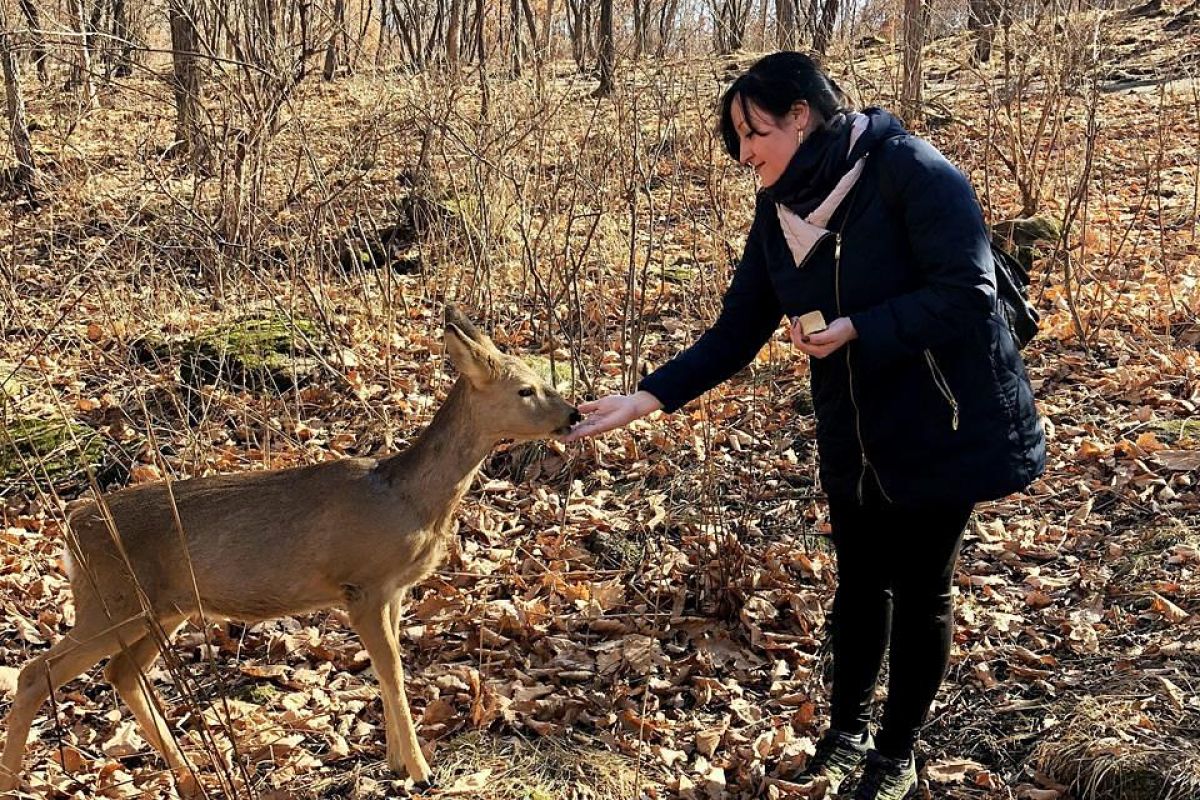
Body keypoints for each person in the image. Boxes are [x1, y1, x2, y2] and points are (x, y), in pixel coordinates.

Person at [564, 51, 1045, 800]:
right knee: (859, 585)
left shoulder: (912, 171)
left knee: (922, 589)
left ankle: (898, 751)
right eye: (737, 138)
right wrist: (645, 398)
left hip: (943, 415)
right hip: (853, 427)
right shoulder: (777, 209)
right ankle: (847, 735)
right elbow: (736, 332)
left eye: (753, 131)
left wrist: (860, 326)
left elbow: (970, 293)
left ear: (801, 115)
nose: (745, 151)